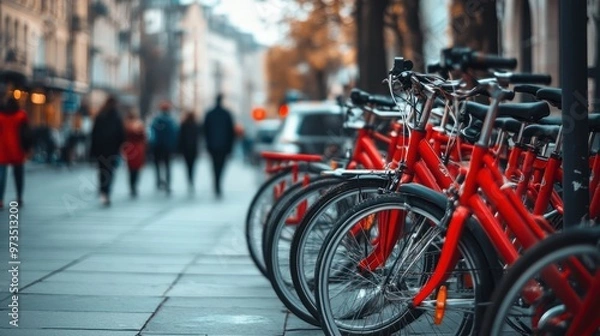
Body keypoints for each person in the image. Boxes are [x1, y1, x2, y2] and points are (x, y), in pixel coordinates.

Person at [90, 96, 125, 206]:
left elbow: (94, 134)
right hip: (113, 150)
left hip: (101, 149)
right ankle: (106, 191)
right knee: (110, 171)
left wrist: (93, 150)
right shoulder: (117, 117)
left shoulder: (100, 116)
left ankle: (103, 191)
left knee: (102, 170)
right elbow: (121, 135)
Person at [0, 96, 32, 210]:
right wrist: (27, 148)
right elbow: (27, 133)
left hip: (2, 149)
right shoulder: (21, 116)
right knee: (18, 175)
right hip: (17, 149)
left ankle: (0, 199)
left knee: (1, 176)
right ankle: (19, 197)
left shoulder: (1, 116)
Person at [204, 93, 236, 198]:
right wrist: (231, 147)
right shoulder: (227, 114)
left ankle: (216, 183)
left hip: (213, 146)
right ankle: (218, 184)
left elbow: (205, 131)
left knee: (214, 166)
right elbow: (231, 132)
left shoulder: (210, 114)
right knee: (221, 166)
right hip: (224, 146)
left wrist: (207, 144)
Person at [150, 101, 178, 194]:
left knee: (157, 165)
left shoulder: (156, 120)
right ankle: (168, 184)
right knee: (167, 165)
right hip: (167, 147)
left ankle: (158, 181)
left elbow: (151, 133)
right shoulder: (171, 121)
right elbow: (174, 134)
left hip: (157, 146)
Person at [122, 109, 147, 198]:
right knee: (136, 168)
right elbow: (144, 137)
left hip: (129, 148)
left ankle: (132, 185)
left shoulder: (126, 125)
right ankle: (134, 185)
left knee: (131, 168)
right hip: (138, 148)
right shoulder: (139, 125)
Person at [178, 111, 200, 191]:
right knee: (192, 165)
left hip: (186, 149)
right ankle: (191, 179)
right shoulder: (196, 125)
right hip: (193, 149)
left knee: (187, 165)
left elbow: (180, 138)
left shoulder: (183, 125)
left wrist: (179, 149)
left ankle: (189, 179)